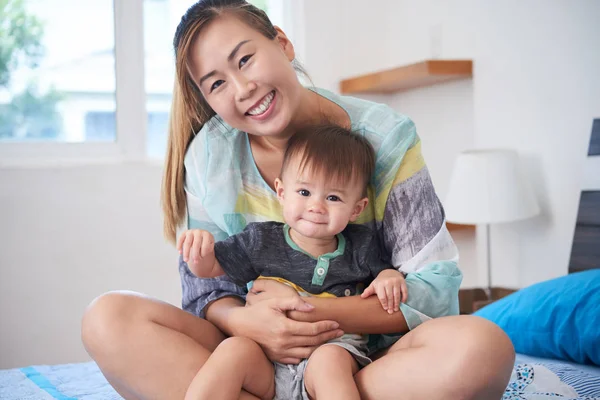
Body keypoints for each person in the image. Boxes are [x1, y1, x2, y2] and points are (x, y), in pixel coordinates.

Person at [81, 1, 515, 399]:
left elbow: (435, 293)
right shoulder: (210, 156)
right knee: (108, 318)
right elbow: (208, 292)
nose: (242, 88)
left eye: (244, 59)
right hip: (255, 357)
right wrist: (248, 323)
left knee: (483, 347)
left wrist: (308, 315)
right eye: (216, 84)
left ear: (282, 43)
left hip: (360, 359)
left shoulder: (385, 138)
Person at [180, 125, 408, 400]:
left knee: (329, 363)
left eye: (333, 197)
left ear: (356, 209)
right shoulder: (261, 240)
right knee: (232, 351)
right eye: (304, 192)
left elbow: (384, 273)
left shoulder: (361, 244)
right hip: (266, 359)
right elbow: (212, 269)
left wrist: (388, 278)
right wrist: (199, 257)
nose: (316, 206)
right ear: (282, 191)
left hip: (332, 350)